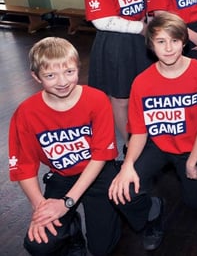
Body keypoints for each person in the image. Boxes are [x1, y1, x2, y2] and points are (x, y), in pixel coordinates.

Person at [108, 12, 197, 251]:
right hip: (157, 144)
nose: (169, 48)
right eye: (161, 41)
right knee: (124, 189)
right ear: (151, 45)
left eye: (174, 40)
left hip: (192, 144)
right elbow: (139, 131)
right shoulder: (141, 82)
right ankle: (152, 213)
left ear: (184, 41)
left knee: (196, 204)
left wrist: (193, 160)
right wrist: (127, 165)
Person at [8, 37, 121, 255]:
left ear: (78, 68)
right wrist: (40, 208)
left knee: (102, 249)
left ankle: (117, 213)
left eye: (69, 72)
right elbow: (24, 165)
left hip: (97, 172)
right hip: (62, 176)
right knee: (38, 245)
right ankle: (71, 230)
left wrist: (67, 203)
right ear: (36, 77)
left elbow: (100, 155)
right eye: (50, 75)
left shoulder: (96, 100)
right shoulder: (26, 113)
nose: (62, 82)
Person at [83, 0, 151, 151]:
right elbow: (101, 20)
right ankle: (130, 144)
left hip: (141, 40)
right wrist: (141, 28)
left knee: (143, 92)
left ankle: (146, 136)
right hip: (116, 43)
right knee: (120, 97)